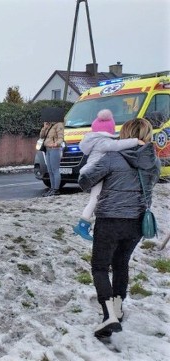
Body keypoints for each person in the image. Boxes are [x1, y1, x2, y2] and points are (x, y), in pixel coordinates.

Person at [78, 117, 160, 339]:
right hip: (137, 222)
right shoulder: (154, 161)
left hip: (110, 220)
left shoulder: (112, 158)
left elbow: (85, 181)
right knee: (121, 263)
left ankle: (108, 316)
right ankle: (118, 307)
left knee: (100, 267)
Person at [73, 109, 143, 241]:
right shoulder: (103, 142)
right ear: (109, 129)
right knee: (94, 199)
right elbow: (117, 145)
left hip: (94, 171)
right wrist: (135, 141)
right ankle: (82, 226)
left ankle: (84, 225)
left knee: (96, 199)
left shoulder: (95, 140)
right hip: (96, 172)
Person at [39, 107, 66, 196]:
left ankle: (56, 189)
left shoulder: (59, 125)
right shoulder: (49, 125)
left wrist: (56, 144)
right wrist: (44, 127)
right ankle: (52, 188)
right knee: (50, 170)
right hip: (47, 149)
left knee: (55, 170)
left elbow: (61, 137)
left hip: (54, 149)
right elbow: (42, 136)